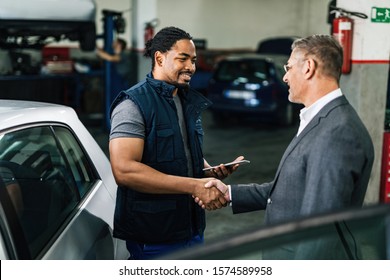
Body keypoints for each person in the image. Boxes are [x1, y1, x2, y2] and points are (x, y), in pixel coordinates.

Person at [198, 34, 375, 259]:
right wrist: (230, 193)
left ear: (308, 68)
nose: (285, 77)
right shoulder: (321, 119)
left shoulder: (337, 132)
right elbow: (292, 189)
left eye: (289, 68)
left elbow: (320, 228)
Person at [108, 26, 243, 259]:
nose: (191, 67)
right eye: (183, 59)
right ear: (159, 57)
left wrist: (207, 171)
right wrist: (194, 186)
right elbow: (125, 171)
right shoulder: (133, 105)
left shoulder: (183, 99)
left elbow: (182, 150)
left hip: (190, 227)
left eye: (193, 60)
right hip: (154, 233)